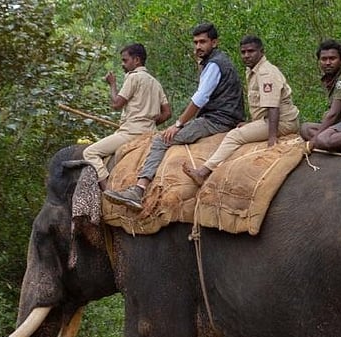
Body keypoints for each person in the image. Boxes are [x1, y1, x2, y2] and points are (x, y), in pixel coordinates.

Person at [104, 22, 245, 211]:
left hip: (216, 120)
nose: (198, 47)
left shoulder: (214, 65)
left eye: (203, 42)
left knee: (161, 141)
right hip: (227, 117)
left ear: (215, 42)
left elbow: (200, 99)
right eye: (195, 43)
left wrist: (178, 124)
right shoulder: (219, 62)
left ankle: (138, 190)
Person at [183, 35, 300, 186]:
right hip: (267, 120)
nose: (246, 55)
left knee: (234, 136)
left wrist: (272, 139)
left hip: (282, 122)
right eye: (243, 52)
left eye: (251, 51)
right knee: (240, 128)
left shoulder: (266, 73)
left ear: (261, 52)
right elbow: (260, 106)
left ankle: (203, 172)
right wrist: (251, 124)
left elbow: (273, 106)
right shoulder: (251, 71)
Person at [63, 43, 171, 191]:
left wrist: (112, 84)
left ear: (137, 60)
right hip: (150, 133)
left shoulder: (133, 77)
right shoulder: (155, 83)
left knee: (90, 152)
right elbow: (167, 113)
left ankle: (107, 190)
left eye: (125, 60)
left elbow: (116, 104)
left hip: (130, 133)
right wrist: (148, 121)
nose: (122, 64)